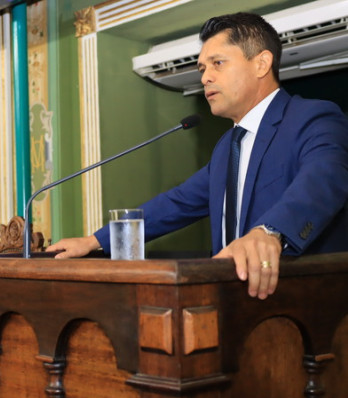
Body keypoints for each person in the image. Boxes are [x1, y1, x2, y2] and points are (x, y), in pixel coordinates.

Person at [47, 12, 348, 300]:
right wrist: (94, 241)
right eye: (203, 69)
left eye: (218, 63)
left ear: (261, 63)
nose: (205, 78)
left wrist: (270, 231)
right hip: (231, 300)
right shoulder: (227, 146)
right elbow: (177, 203)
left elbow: (324, 180)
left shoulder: (312, 118)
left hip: (303, 304)